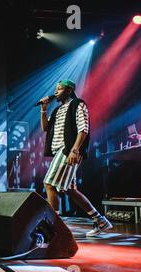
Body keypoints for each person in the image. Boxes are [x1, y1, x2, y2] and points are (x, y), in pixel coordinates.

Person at [39, 79, 112, 236]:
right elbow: (46, 128)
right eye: (56, 89)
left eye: (59, 89)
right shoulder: (58, 110)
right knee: (70, 189)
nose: (56, 92)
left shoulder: (78, 104)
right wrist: (44, 110)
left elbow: (83, 128)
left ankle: (54, 228)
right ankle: (101, 221)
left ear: (69, 90)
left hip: (68, 151)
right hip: (60, 150)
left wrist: (75, 150)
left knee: (49, 184)